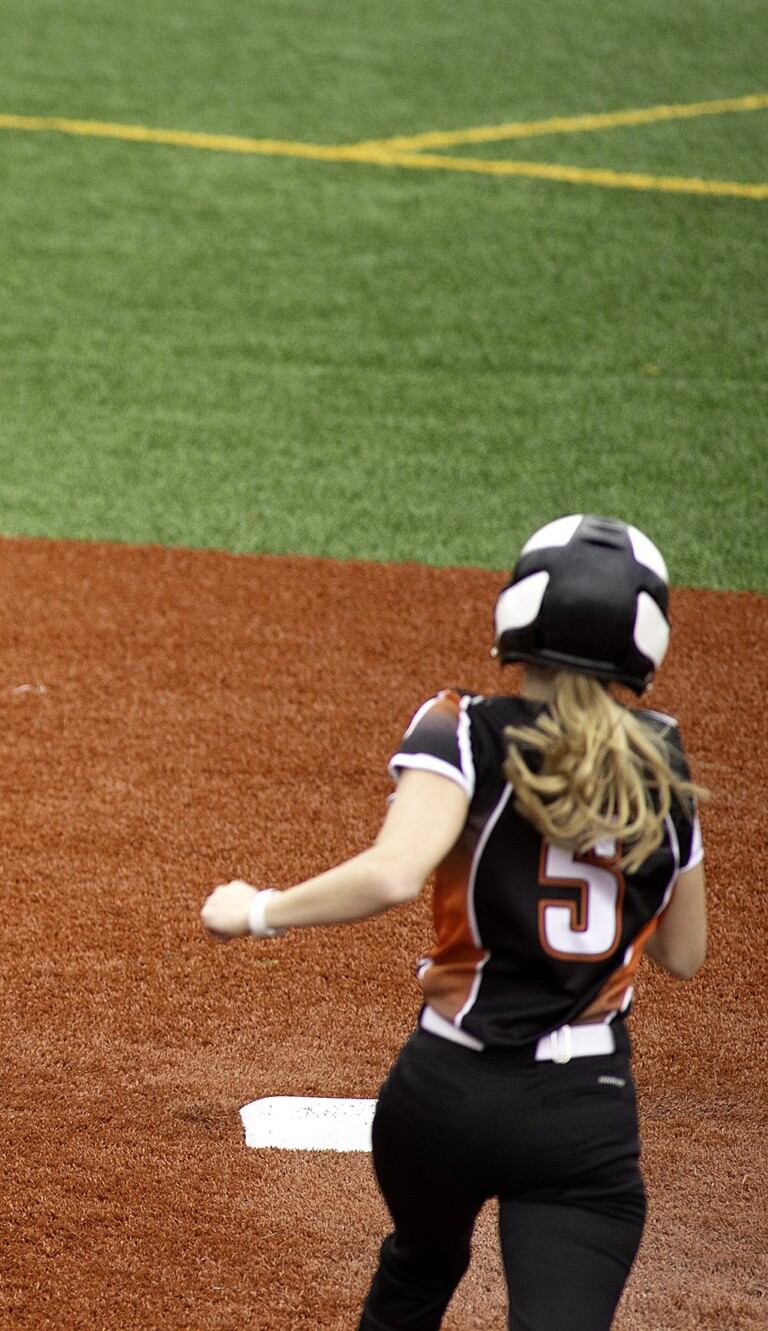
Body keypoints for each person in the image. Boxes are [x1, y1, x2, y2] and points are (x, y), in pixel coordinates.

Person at [200, 514, 707, 1330]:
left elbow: (394, 871)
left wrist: (258, 909)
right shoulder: (662, 760)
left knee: (420, 1265)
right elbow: (685, 953)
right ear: (643, 644)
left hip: (445, 1094)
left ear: (518, 613)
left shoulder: (462, 728)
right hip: (584, 1110)